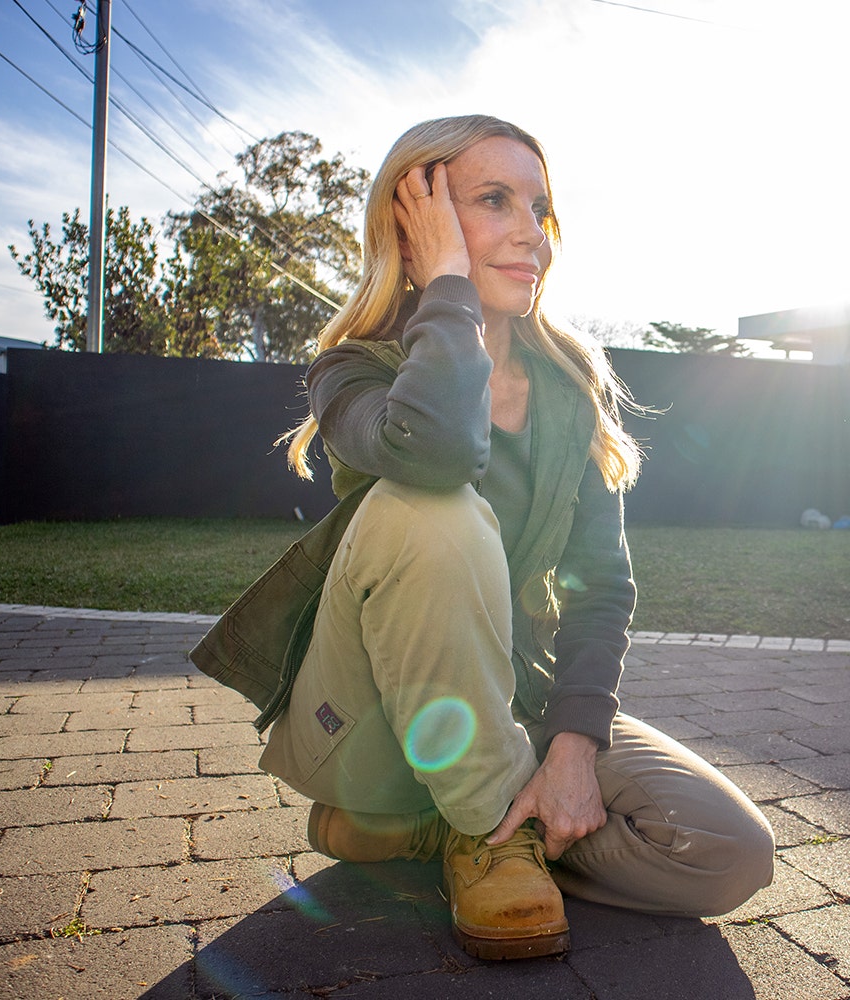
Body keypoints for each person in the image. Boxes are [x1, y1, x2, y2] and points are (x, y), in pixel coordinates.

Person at [260, 114, 774, 961]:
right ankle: (491, 835)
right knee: (434, 506)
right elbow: (437, 452)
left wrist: (572, 746)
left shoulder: (570, 386)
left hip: (518, 702)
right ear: (415, 219)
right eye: (493, 201)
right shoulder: (351, 371)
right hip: (377, 718)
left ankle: (438, 832)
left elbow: (602, 585)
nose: (531, 233)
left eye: (539, 209)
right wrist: (448, 290)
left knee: (727, 855)